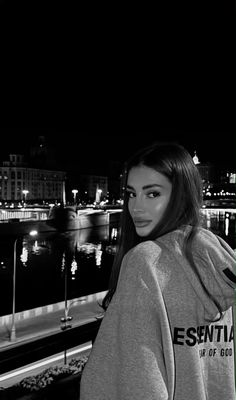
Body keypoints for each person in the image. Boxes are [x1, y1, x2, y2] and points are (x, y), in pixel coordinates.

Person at [80, 142, 236, 400]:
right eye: (131, 193)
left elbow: (137, 382)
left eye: (152, 194)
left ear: (182, 196)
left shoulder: (145, 262)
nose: (136, 207)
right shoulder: (221, 262)